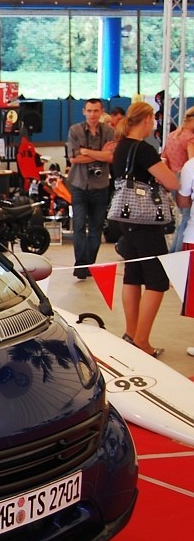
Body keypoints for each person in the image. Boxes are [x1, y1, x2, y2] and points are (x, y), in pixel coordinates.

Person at [111, 101, 179, 358]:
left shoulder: (120, 147)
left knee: (133, 274)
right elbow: (171, 182)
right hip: (146, 220)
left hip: (126, 217)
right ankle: (142, 340)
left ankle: (131, 333)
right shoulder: (144, 149)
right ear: (148, 119)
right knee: (158, 280)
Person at [66, 98, 116, 279]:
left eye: (96, 111)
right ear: (84, 111)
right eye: (89, 110)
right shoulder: (75, 130)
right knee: (79, 226)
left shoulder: (109, 131)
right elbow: (73, 158)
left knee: (96, 228)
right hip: (79, 184)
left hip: (100, 186)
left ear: (102, 112)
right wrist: (100, 153)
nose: (92, 114)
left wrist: (86, 151)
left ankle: (88, 264)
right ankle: (81, 265)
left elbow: (110, 157)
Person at [161, 106, 194, 174]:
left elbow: (163, 159)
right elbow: (192, 164)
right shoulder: (190, 138)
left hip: (171, 177)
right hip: (185, 177)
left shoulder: (171, 135)